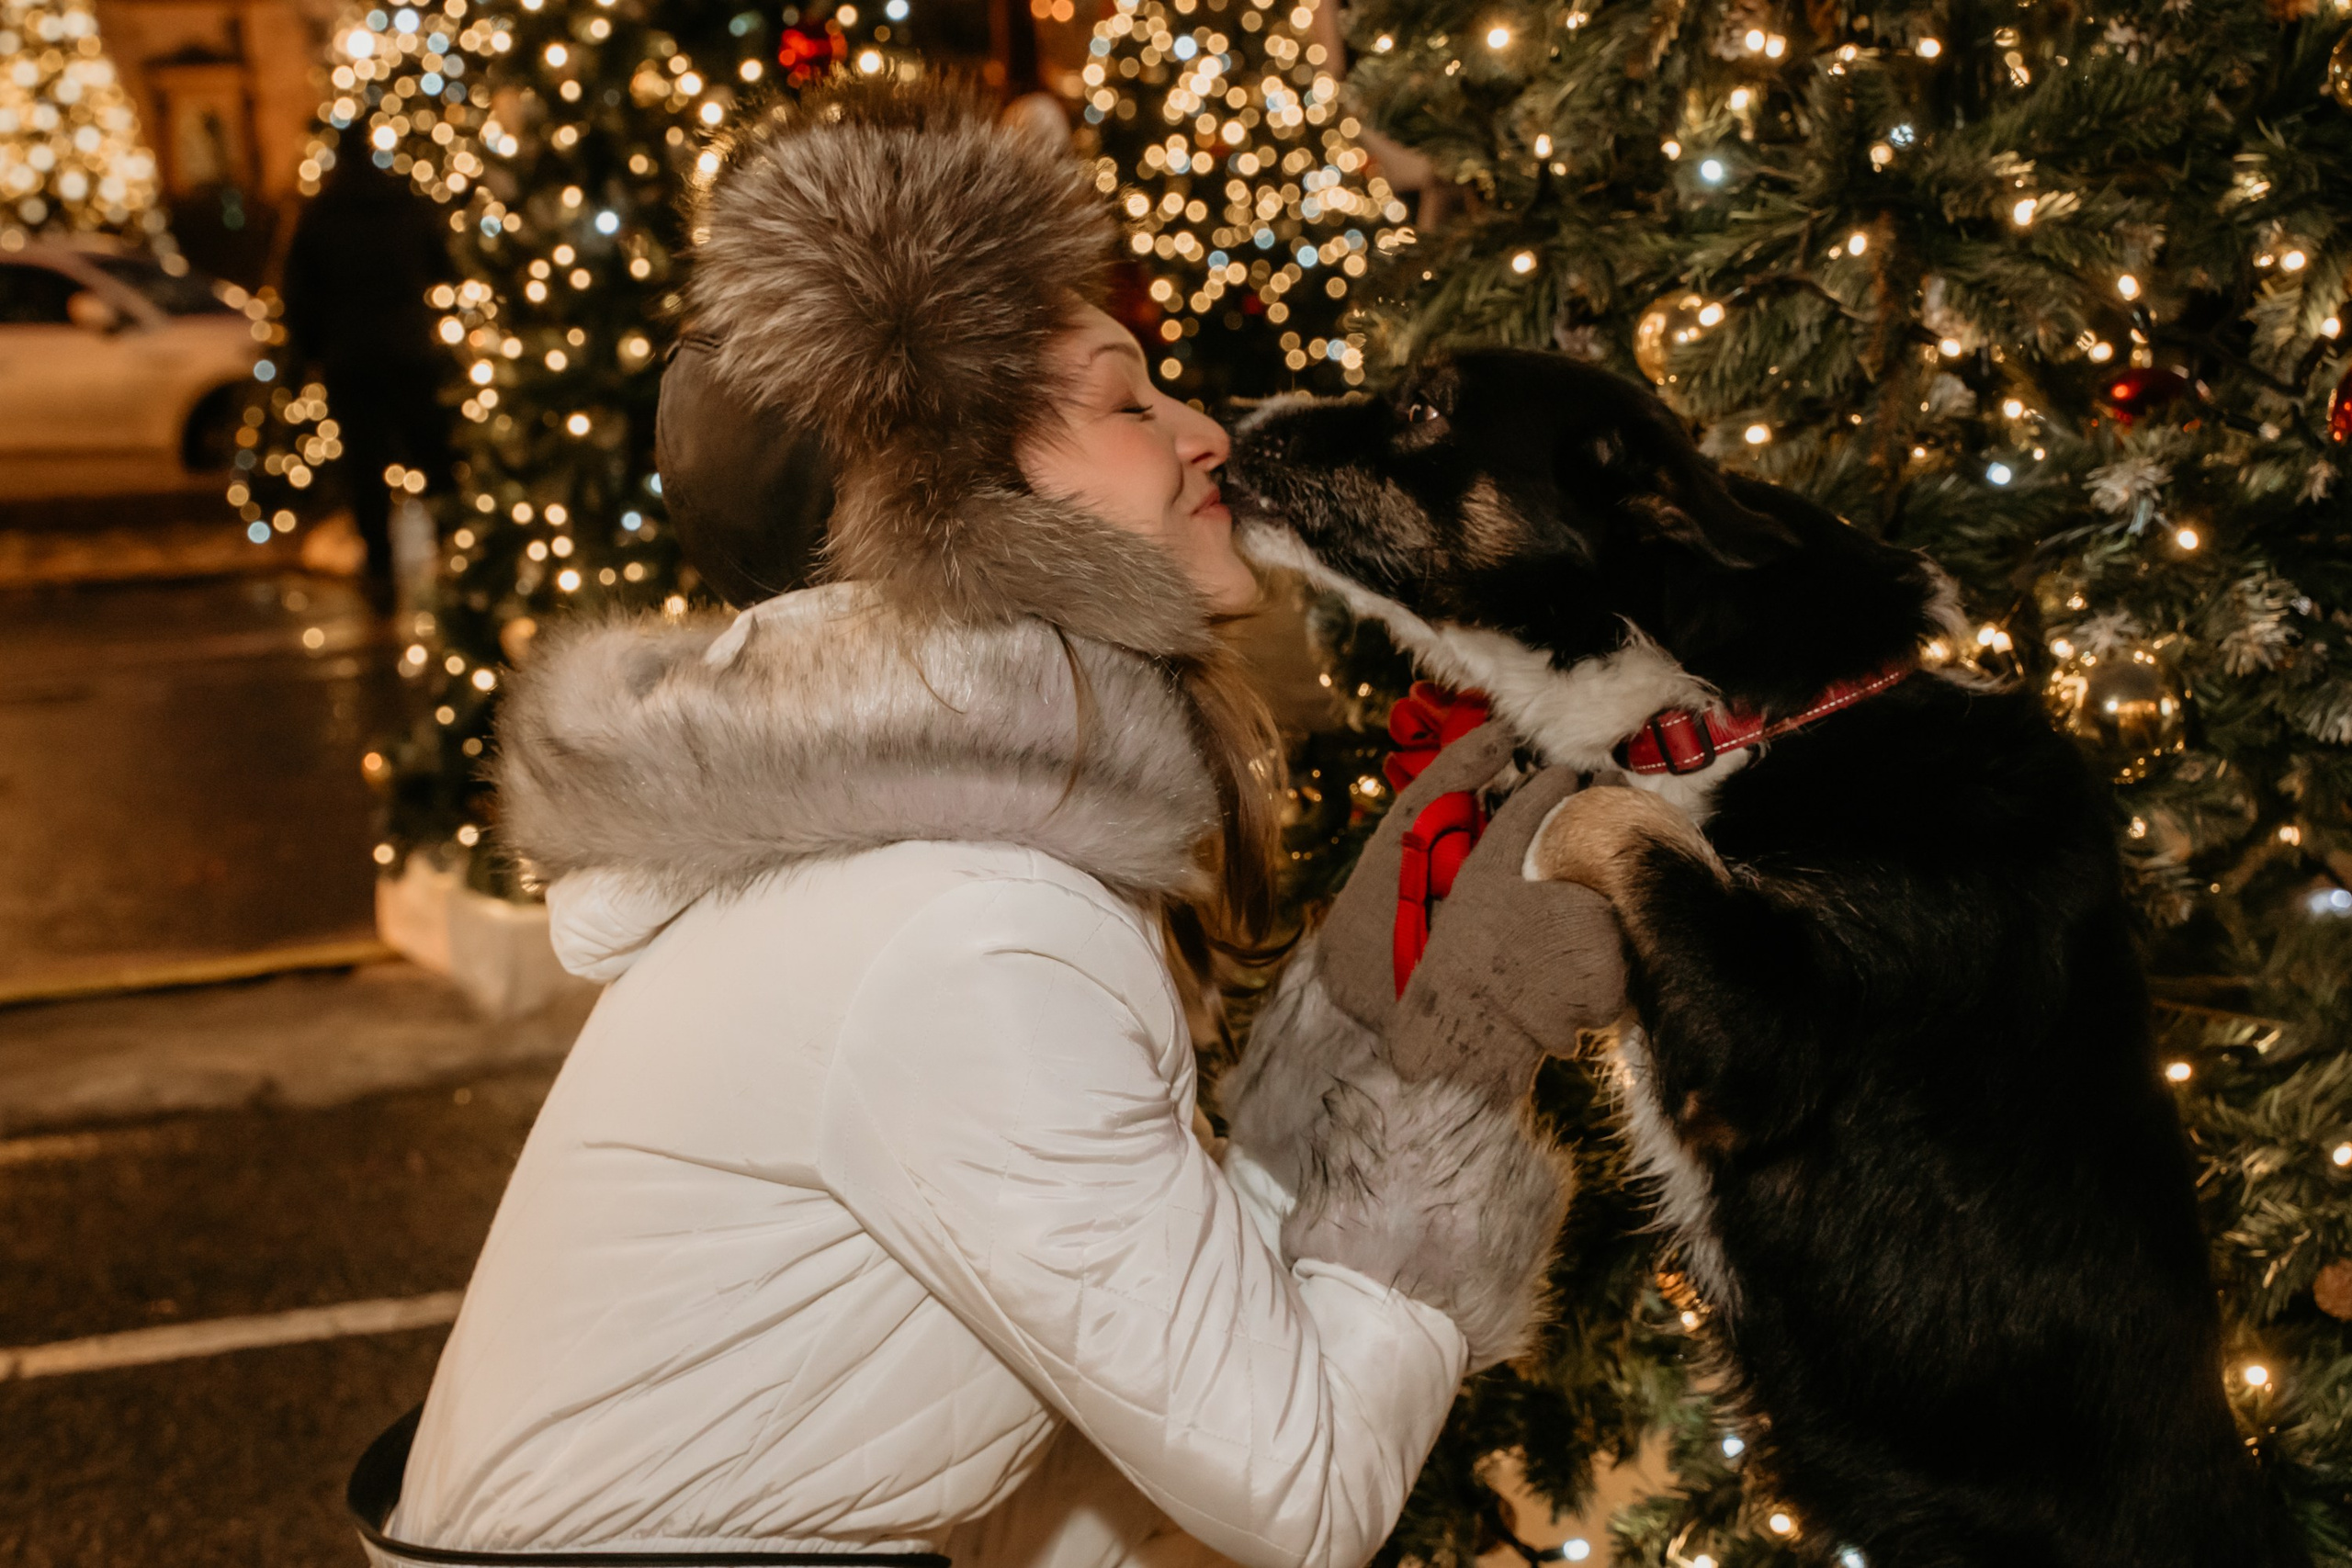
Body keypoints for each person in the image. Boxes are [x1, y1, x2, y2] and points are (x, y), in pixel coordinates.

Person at [349, 78, 1623, 1568]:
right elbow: (1304, 1488)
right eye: (1127, 400)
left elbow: (1114, 1414)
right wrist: (1462, 1064)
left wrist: (1354, 1017)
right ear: (959, 511)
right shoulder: (963, 929)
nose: (1206, 431)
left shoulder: (948, 878)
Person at [279, 152, 455, 607]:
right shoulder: (404, 206)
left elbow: (299, 293)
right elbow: (442, 265)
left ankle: (380, 565)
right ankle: (452, 551)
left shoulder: (321, 214)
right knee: (432, 455)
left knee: (366, 469)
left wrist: (314, 349)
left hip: (351, 358)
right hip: (408, 351)